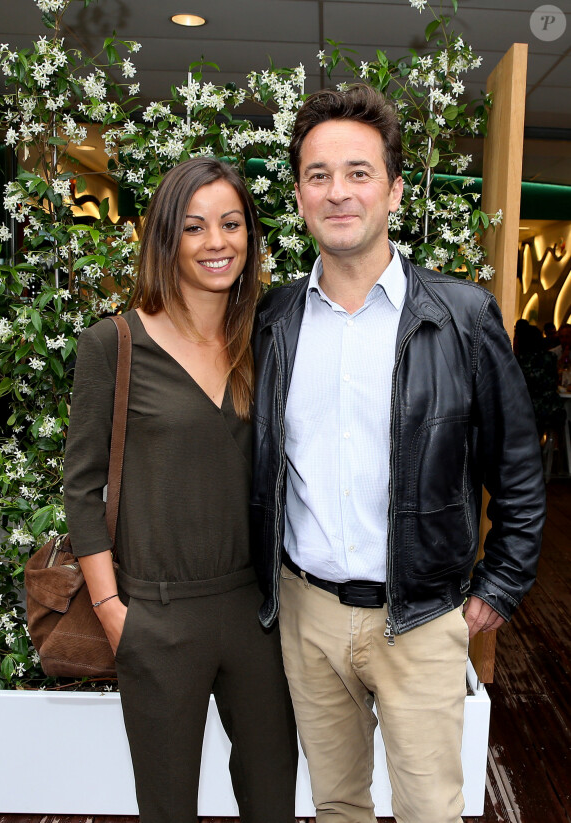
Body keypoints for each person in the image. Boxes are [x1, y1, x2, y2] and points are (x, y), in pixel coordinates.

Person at [250, 85, 546, 823]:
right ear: (299, 195)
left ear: (394, 189)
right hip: (306, 613)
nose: (338, 191)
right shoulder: (273, 319)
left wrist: (501, 584)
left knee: (429, 811)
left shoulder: (463, 315)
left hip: (419, 618)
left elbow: (516, 465)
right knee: (337, 804)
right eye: (319, 175)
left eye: (358, 172)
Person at [64, 157, 297, 823]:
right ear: (165, 237)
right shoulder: (114, 343)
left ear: (251, 237)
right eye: (194, 226)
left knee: (273, 800)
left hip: (258, 612)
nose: (216, 241)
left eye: (230, 224)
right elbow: (82, 486)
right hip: (157, 615)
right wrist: (112, 608)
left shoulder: (265, 337)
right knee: (167, 808)